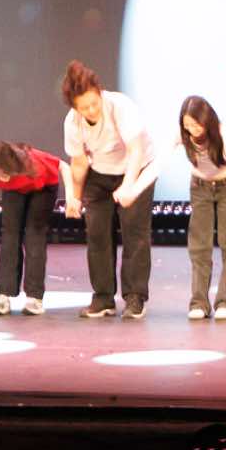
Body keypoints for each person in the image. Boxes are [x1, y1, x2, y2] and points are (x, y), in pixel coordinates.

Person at [60, 62, 160, 320]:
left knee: (134, 231)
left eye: (94, 103)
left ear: (100, 93)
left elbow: (135, 150)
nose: (91, 110)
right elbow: (79, 162)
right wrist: (75, 197)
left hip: (137, 168)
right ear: (75, 107)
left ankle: (135, 296)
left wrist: (129, 186)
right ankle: (103, 297)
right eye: (84, 107)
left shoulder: (120, 106)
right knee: (97, 233)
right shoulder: (73, 122)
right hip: (100, 173)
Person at [176, 96, 226, 320]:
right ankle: (199, 302)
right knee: (199, 246)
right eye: (187, 124)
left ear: (207, 120)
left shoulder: (222, 132)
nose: (192, 129)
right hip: (200, 187)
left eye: (196, 124)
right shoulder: (182, 134)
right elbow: (160, 156)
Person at [0, 141, 65, 317]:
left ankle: (34, 298)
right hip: (15, 189)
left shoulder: (32, 163)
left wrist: (72, 197)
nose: (2, 178)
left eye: (5, 173)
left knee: (34, 235)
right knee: (10, 235)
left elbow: (63, 166)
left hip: (43, 187)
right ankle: (3, 296)